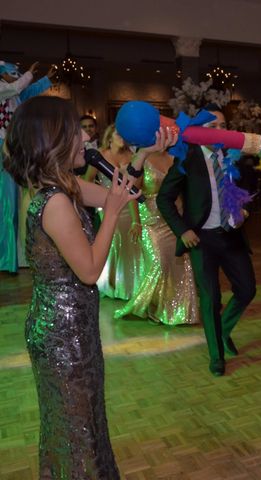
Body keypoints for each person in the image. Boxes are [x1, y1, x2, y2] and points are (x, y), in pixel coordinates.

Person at [2, 95, 171, 477]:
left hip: (72, 327)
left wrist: (141, 157)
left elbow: (130, 194)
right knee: (76, 433)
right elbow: (91, 271)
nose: (85, 137)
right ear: (55, 139)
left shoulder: (63, 185)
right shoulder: (57, 201)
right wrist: (111, 212)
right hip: (62, 336)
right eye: (77, 131)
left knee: (81, 425)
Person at [157, 104, 256, 377]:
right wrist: (182, 230)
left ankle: (221, 331)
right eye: (212, 126)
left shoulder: (233, 156)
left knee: (247, 289)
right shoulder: (187, 157)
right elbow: (163, 197)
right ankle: (216, 356)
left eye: (223, 126)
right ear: (199, 130)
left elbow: (248, 189)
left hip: (232, 234)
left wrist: (244, 208)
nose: (219, 131)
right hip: (201, 238)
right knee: (210, 298)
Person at [114, 150, 200, 325]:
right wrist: (135, 222)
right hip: (150, 220)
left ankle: (179, 311)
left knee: (180, 263)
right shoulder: (142, 158)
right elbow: (132, 191)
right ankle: (152, 306)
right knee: (159, 262)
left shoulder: (178, 156)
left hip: (175, 219)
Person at [0, 60, 54, 274]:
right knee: (6, 204)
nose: (15, 76)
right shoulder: (5, 90)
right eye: (11, 73)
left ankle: (13, 257)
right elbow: (16, 86)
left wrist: (46, 78)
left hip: (12, 149)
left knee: (14, 204)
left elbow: (27, 91)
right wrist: (30, 74)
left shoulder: (14, 96)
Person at [87, 124, 144, 300]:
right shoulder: (100, 156)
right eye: (118, 134)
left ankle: (128, 285)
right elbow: (86, 181)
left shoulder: (133, 157)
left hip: (130, 207)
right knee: (115, 238)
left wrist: (137, 220)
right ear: (109, 137)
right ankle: (110, 282)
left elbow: (136, 189)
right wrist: (99, 200)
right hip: (107, 206)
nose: (122, 138)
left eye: (124, 135)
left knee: (130, 241)